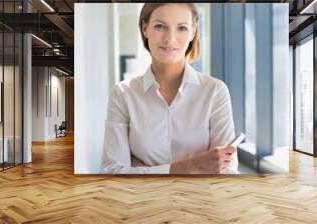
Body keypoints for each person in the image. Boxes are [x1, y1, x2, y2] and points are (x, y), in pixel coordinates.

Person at [102, 3, 238, 174]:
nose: (170, 39)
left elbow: (227, 170)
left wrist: (141, 168)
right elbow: (113, 171)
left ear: (193, 32)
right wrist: (189, 168)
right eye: (160, 26)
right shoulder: (123, 94)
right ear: (145, 29)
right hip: (140, 200)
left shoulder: (215, 91)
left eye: (181, 28)